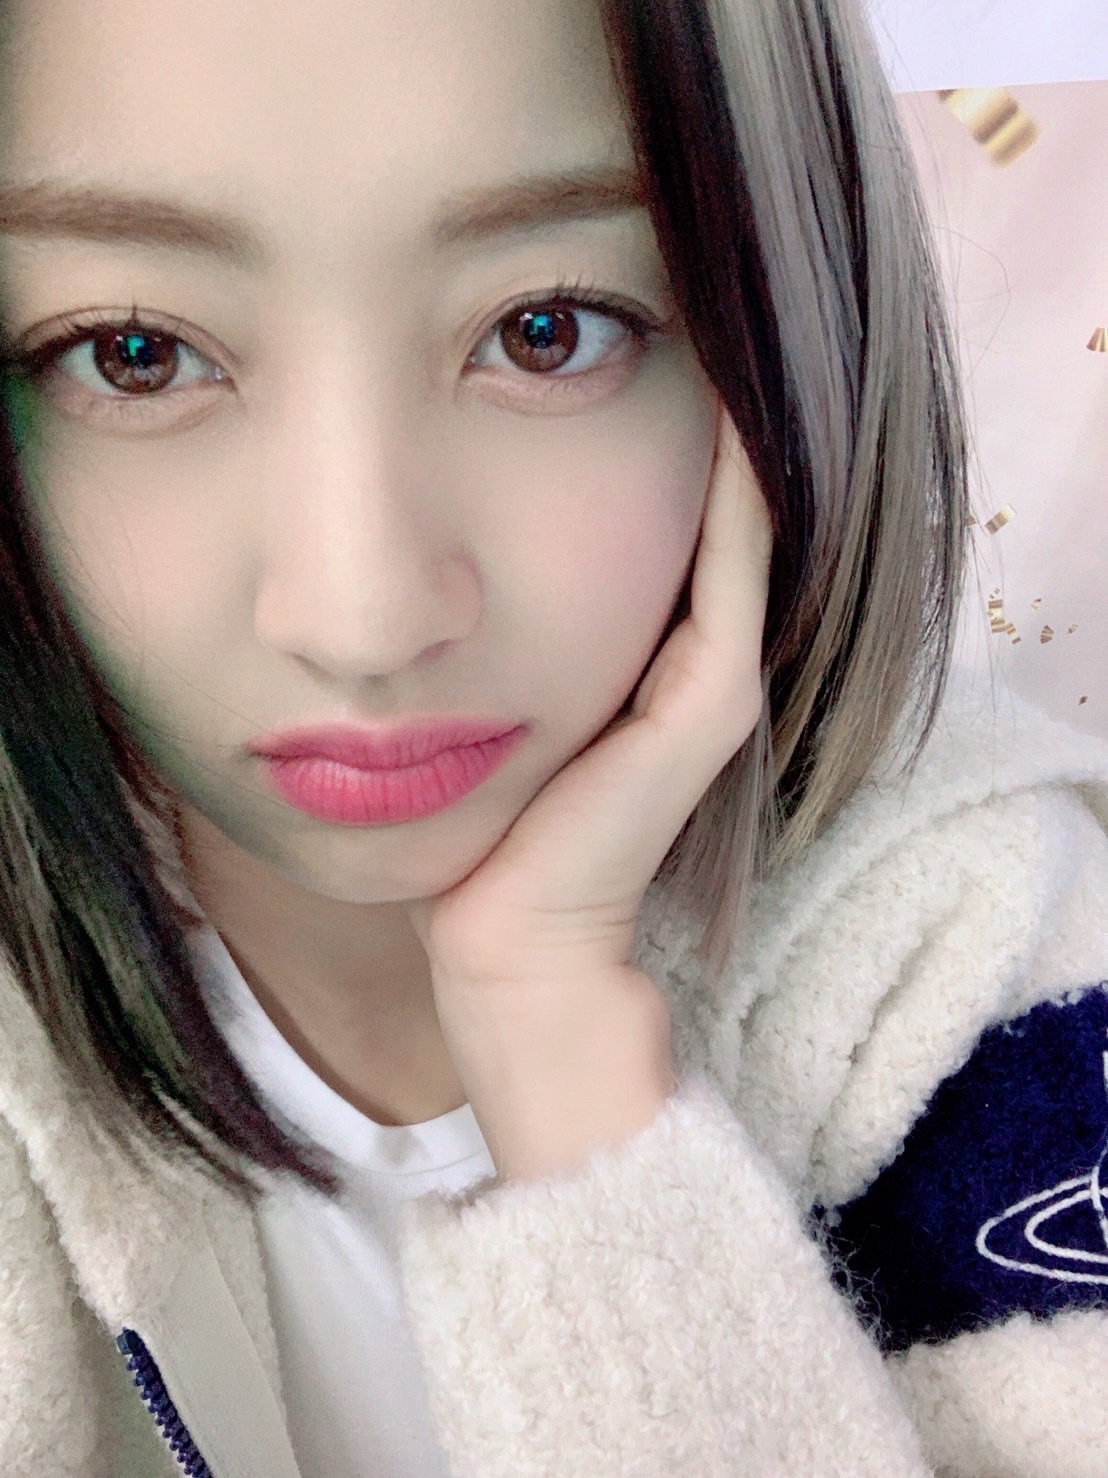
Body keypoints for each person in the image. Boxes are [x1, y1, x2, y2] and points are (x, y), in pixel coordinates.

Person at [0, 0, 1104, 1473]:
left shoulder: (979, 954)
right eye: (135, 353)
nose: (365, 614)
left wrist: (573, 1075)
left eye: (549, 331)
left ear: (790, 342)